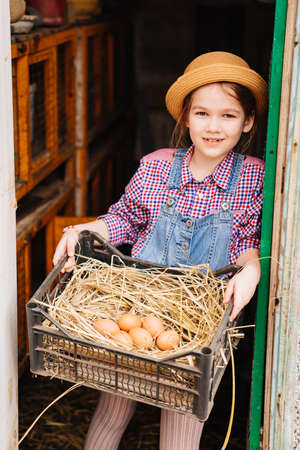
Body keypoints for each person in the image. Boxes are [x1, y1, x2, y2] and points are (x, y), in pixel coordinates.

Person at [53, 51, 268, 450]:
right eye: (202, 113)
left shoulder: (254, 176)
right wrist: (82, 230)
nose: (214, 127)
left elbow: (243, 242)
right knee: (114, 405)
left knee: (182, 417)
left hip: (198, 321)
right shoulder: (155, 166)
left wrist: (252, 268)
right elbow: (125, 219)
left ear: (248, 121)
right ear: (185, 117)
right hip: (137, 304)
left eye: (228, 115)